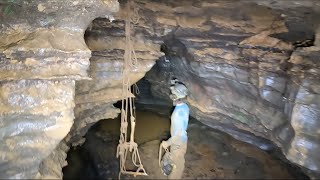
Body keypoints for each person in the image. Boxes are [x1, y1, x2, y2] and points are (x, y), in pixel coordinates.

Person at [160, 81, 189, 179]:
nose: (171, 96)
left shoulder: (177, 114)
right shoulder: (185, 107)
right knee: (180, 162)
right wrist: (173, 85)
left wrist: (167, 143)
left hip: (178, 142)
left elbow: (178, 135)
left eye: (172, 95)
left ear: (175, 97)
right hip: (183, 140)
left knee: (175, 166)